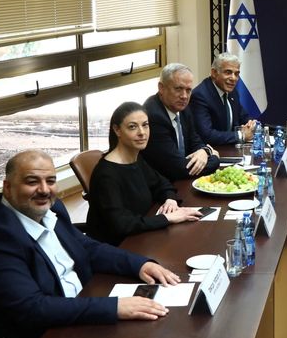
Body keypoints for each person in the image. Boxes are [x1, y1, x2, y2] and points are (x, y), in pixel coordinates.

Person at [0, 150, 180, 338]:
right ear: (7, 187)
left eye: (51, 181)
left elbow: (87, 248)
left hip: (81, 307)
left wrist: (140, 264)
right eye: (32, 182)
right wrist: (114, 307)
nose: (44, 190)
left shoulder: (51, 208)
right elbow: (32, 308)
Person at [86, 102, 203, 246]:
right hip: (119, 248)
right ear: (117, 130)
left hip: (143, 236)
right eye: (132, 127)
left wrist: (170, 199)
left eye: (145, 125)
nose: (142, 132)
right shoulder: (107, 174)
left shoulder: (136, 158)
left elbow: (162, 183)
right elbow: (122, 224)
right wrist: (168, 218)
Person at [142, 63, 220, 181]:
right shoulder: (154, 116)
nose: (184, 96)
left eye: (188, 90)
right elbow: (179, 169)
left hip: (182, 182)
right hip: (162, 188)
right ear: (161, 88)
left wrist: (204, 151)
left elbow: (195, 141)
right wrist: (214, 158)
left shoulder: (182, 108)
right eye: (178, 89)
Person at [190, 53, 257, 146]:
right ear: (214, 73)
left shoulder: (232, 92)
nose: (233, 78)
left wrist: (251, 125)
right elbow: (207, 135)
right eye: (228, 72)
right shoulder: (200, 95)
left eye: (237, 74)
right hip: (210, 153)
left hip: (230, 150)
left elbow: (244, 117)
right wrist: (240, 135)